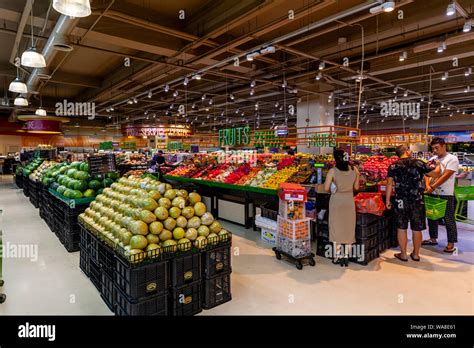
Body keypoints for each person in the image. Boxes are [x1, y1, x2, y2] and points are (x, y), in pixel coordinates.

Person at [386, 145, 440, 262]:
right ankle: (415, 254)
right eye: (409, 149)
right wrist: (438, 166)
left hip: (400, 200)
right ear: (406, 151)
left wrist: (387, 201)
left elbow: (389, 184)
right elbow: (435, 174)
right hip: (417, 200)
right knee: (417, 229)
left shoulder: (393, 166)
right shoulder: (419, 163)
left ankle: (403, 254)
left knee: (401, 228)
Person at [422, 137, 459, 253]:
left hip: (446, 194)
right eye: (433, 148)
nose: (435, 151)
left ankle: (451, 243)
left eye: (437, 148)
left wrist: (432, 187)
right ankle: (433, 239)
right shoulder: (433, 159)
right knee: (432, 217)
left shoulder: (452, 159)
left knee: (449, 219)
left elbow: (445, 176)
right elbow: (426, 174)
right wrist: (428, 186)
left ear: (444, 146)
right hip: (431, 192)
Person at [324, 149, 360, 267]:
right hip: (349, 201)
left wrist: (334, 186)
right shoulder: (354, 170)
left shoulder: (332, 171)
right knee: (349, 227)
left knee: (336, 227)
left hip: (336, 201)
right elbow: (356, 187)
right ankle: (346, 256)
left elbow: (326, 188)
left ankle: (337, 256)